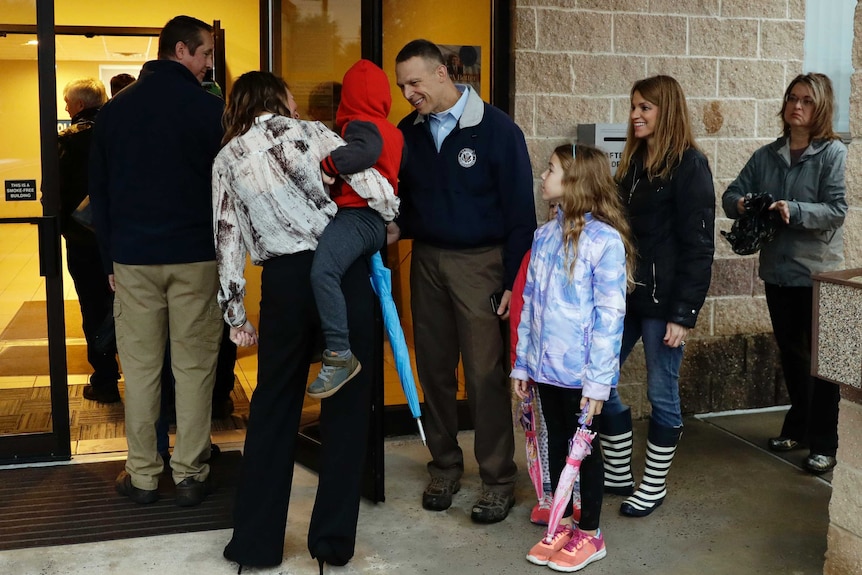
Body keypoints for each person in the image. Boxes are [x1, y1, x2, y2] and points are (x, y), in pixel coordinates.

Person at [214, 71, 391, 572]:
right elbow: (376, 191)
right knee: (348, 405)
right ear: (282, 98)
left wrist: (235, 314)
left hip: (286, 283)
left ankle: (256, 544)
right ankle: (333, 543)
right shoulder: (316, 134)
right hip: (342, 274)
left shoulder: (228, 157)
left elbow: (226, 239)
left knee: (274, 406)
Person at [393, 38, 536, 524]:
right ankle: (445, 465)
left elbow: (521, 215)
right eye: (402, 86)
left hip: (482, 264)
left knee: (483, 376)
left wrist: (514, 283)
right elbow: (408, 204)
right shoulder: (407, 132)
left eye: (414, 83)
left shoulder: (497, 131)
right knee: (433, 369)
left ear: (442, 74)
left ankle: (497, 479)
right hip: (427, 260)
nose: (408, 93)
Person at [88, 15, 225, 507]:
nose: (209, 63)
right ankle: (190, 473)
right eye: (206, 53)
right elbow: (225, 190)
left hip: (133, 258)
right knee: (193, 367)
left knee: (142, 369)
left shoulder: (113, 113)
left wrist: (109, 260)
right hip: (195, 258)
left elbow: (99, 197)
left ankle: (143, 476)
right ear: (182, 49)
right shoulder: (211, 111)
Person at [513, 143, 634, 572]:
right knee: (558, 444)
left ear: (576, 181)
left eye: (551, 170)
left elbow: (610, 319)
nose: (543, 178)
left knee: (584, 453)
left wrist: (599, 383)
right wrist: (524, 365)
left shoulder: (605, 242)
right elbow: (530, 305)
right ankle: (563, 521)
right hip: (546, 371)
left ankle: (591, 533)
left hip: (584, 378)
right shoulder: (543, 236)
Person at [599, 75, 715, 518]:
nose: (635, 115)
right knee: (601, 380)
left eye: (645, 107)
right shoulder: (631, 163)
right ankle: (618, 473)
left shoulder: (689, 165)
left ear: (667, 110)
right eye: (633, 106)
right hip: (624, 297)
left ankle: (653, 484)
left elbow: (700, 246)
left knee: (662, 392)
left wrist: (683, 314)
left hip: (665, 303)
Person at [722, 73, 846, 475]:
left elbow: (837, 211)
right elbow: (729, 196)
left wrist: (796, 209)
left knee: (823, 365)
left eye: (807, 101)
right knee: (792, 357)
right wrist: (742, 203)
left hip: (817, 274)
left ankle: (825, 442)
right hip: (777, 272)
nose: (797, 106)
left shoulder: (832, 154)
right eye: (792, 98)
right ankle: (799, 426)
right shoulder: (766, 156)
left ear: (821, 107)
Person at [307, 59, 402, 398]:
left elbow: (365, 151)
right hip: (372, 221)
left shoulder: (362, 125)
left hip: (358, 217)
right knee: (342, 282)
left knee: (323, 273)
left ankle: (338, 355)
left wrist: (328, 164)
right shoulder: (392, 130)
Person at [56, 78, 120, 404]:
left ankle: (105, 380)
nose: (66, 108)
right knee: (127, 305)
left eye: (68, 102)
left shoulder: (67, 140)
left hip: (83, 239)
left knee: (93, 306)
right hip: (123, 237)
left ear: (80, 105)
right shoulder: (120, 133)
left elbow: (55, 193)